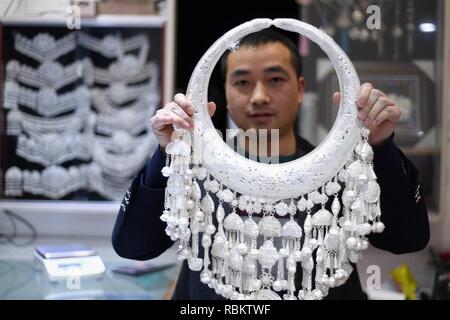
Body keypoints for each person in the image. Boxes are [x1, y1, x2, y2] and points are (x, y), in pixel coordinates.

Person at [112, 28, 430, 300]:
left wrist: (381, 147)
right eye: (242, 82)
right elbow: (133, 246)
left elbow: (407, 239)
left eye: (275, 79)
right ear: (222, 92)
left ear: (301, 88)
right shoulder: (194, 166)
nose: (260, 96)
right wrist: (166, 153)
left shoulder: (346, 169)